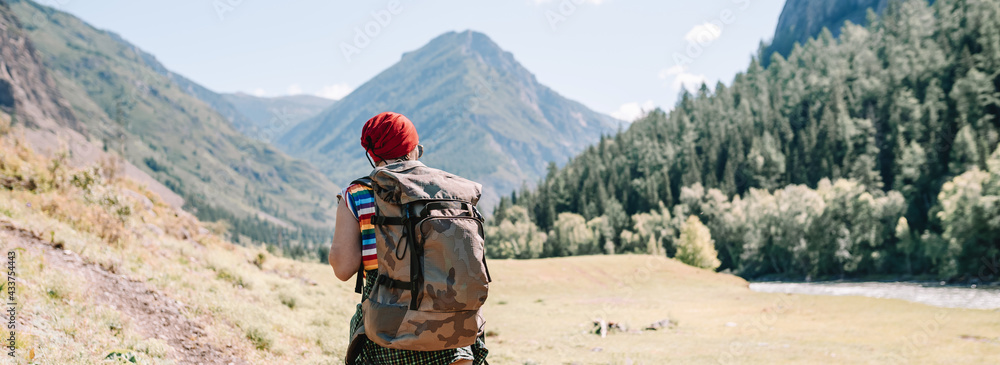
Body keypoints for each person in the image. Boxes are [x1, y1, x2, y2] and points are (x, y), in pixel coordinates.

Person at [329, 111, 488, 365]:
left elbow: (343, 268)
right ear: (415, 149)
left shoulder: (357, 195)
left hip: (389, 334)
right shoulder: (451, 192)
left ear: (372, 155)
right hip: (455, 334)